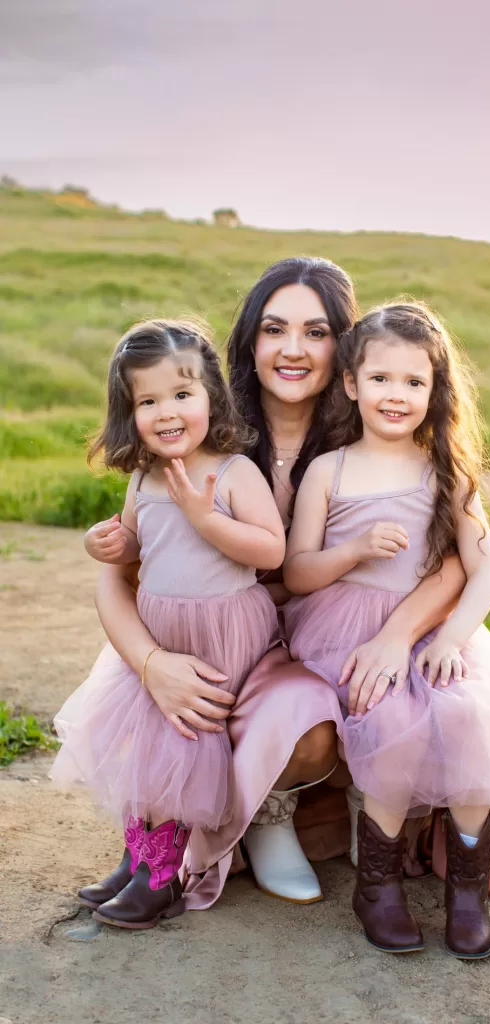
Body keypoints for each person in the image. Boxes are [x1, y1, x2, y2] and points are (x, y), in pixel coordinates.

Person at [82, 258, 468, 910]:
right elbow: (117, 578)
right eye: (273, 329)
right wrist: (150, 665)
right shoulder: (205, 436)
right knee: (184, 721)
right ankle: (198, 843)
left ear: (343, 350)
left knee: (331, 718)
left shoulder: (370, 436)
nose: (293, 350)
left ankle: (289, 824)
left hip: (331, 635)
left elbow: (454, 556)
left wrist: (399, 635)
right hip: (208, 634)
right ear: (247, 342)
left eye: (316, 332)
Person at [283, 302, 490, 959]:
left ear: (435, 389)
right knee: (388, 721)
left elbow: (483, 573)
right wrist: (355, 548)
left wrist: (453, 638)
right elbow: (299, 572)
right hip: (347, 629)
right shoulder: (328, 471)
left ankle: (467, 891)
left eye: (414, 382)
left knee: (467, 715)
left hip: (436, 632)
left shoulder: (446, 472)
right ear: (349, 384)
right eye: (381, 379)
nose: (397, 395)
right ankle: (379, 885)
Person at [52, 318, 285, 929]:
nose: (168, 412)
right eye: (148, 401)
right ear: (130, 413)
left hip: (219, 631)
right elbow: (137, 547)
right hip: (159, 633)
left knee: (178, 739)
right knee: (143, 747)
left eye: (182, 395)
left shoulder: (232, 472)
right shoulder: (143, 476)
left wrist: (207, 519)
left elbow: (271, 551)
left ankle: (165, 874)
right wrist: (106, 544)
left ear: (211, 395)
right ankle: (137, 857)